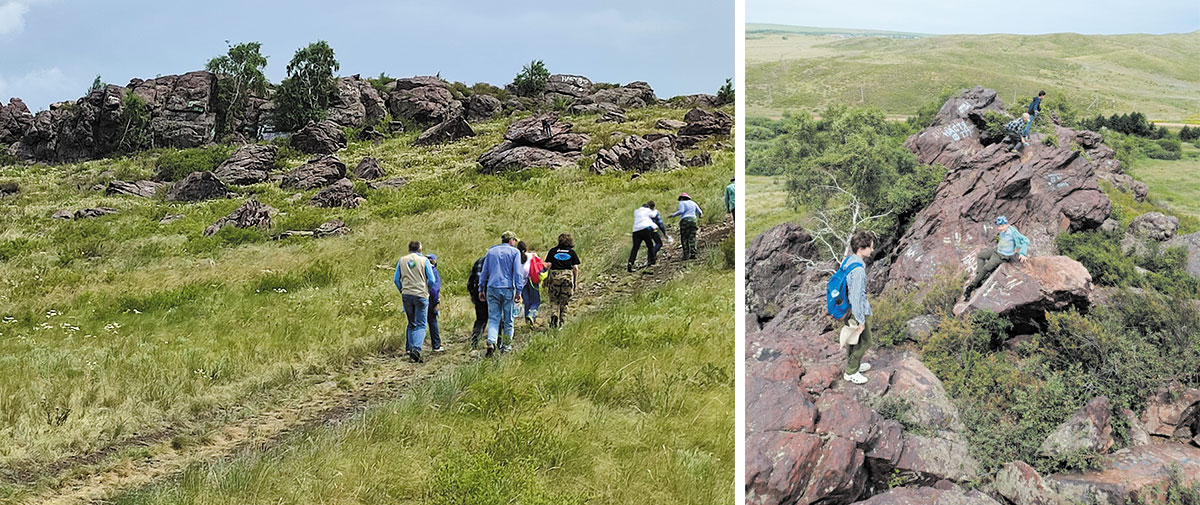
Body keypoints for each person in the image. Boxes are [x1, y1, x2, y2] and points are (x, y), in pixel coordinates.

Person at [479, 231, 524, 357]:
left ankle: (491, 340)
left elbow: (484, 271)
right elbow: (518, 273)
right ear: (511, 241)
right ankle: (506, 346)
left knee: (494, 317)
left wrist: (481, 288)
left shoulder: (491, 251)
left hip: (492, 287)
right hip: (507, 287)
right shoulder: (515, 252)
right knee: (508, 319)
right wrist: (519, 290)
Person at [963, 216, 1030, 299]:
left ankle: (972, 286)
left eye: (1002, 226)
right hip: (997, 251)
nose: (1000, 228)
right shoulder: (1003, 231)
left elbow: (1026, 240)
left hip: (1002, 256)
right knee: (981, 255)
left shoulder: (1012, 233)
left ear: (1007, 225)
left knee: (986, 268)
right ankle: (979, 278)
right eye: (999, 226)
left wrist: (1022, 253)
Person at [393, 241, 437, 363]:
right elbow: (432, 279)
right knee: (421, 324)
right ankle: (416, 349)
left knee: (411, 322)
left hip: (406, 294)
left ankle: (409, 348)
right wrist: (427, 289)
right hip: (421, 294)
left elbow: (396, 279)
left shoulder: (402, 260)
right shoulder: (424, 260)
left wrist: (402, 289)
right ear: (419, 249)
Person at [842, 231, 875, 385]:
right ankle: (851, 372)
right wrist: (860, 320)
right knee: (866, 341)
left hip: (847, 308)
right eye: (870, 247)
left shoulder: (849, 261)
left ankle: (853, 365)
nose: (872, 250)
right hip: (856, 311)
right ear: (861, 249)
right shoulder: (859, 271)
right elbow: (856, 297)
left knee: (853, 340)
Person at [544, 233, 581, 328]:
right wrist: (575, 282)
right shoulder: (571, 252)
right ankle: (562, 323)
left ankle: (554, 315)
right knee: (564, 301)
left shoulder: (553, 251)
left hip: (554, 277)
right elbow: (575, 268)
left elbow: (548, 266)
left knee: (554, 299)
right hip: (567, 278)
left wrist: (546, 279)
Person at [629, 201, 662, 272]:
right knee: (650, 245)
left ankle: (630, 263)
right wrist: (656, 211)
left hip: (635, 231)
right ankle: (652, 261)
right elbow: (653, 215)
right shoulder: (647, 210)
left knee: (635, 248)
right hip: (644, 229)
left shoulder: (636, 211)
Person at [669, 193, 703, 260]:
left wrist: (673, 215)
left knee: (684, 237)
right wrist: (699, 216)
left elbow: (681, 211)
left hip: (685, 220)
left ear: (682, 198)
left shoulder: (682, 203)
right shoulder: (693, 203)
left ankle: (686, 255)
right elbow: (700, 212)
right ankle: (693, 254)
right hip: (693, 220)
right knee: (692, 237)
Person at [518, 241, 545, 326]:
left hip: (521, 282)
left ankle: (527, 322)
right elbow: (540, 265)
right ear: (526, 248)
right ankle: (532, 315)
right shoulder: (532, 255)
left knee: (526, 301)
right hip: (532, 279)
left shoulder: (517, 257)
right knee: (536, 301)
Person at [467, 255, 487, 348]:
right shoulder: (498, 262)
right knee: (497, 319)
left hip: (478, 293)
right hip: (493, 292)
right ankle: (496, 341)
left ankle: (475, 341)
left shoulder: (480, 261)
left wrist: (472, 293)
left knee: (480, 319)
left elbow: (471, 279)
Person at [426, 254, 443, 353]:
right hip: (430, 299)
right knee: (432, 321)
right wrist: (436, 302)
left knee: (415, 323)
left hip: (415, 295)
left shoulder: (419, 268)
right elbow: (435, 289)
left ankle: (411, 347)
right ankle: (436, 345)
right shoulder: (433, 271)